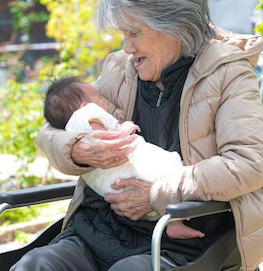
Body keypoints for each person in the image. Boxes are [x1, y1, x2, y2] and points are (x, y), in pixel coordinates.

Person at [2, 0, 263, 271]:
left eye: (134, 32)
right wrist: (77, 148)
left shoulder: (229, 75)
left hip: (183, 242)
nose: (126, 45)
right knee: (33, 269)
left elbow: (247, 164)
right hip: (99, 233)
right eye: (123, 32)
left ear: (174, 25)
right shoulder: (121, 71)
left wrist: (157, 194)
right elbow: (53, 126)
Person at [43, 75, 205, 240]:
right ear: (85, 106)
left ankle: (173, 223)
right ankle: (174, 223)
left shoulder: (70, 127)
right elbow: (108, 140)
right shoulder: (86, 114)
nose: (104, 102)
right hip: (125, 174)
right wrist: (125, 128)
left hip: (110, 192)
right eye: (99, 97)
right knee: (173, 169)